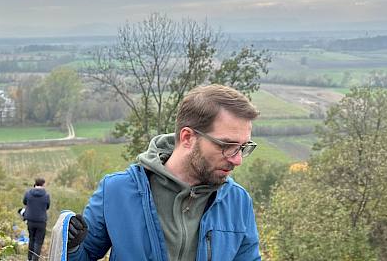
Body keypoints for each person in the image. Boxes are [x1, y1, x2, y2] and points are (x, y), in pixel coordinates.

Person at [64, 84, 261, 261]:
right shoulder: (117, 191)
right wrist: (71, 245)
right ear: (188, 138)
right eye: (227, 145)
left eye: (243, 147)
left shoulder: (238, 201)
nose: (238, 159)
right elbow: (85, 255)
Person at [23, 177, 50, 261]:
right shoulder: (46, 195)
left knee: (31, 239)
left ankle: (29, 258)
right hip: (41, 221)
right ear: (43, 184)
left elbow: (24, 202)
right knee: (38, 242)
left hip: (30, 220)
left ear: (35, 183)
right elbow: (47, 206)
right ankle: (35, 259)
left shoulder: (28, 193)